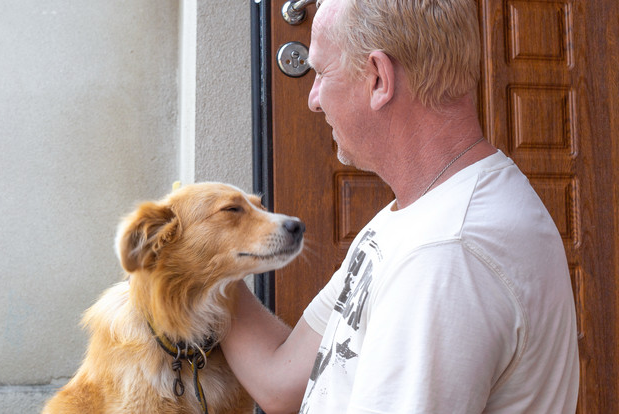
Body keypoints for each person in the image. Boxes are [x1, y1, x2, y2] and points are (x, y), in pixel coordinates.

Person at [221, 0, 580, 412]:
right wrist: (201, 259)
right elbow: (282, 380)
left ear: (378, 79)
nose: (313, 99)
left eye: (321, 73)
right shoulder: (413, 217)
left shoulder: (446, 255)